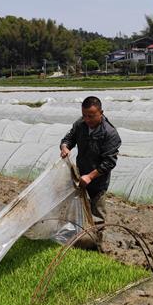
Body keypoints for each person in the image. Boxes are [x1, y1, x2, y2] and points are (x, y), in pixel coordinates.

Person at [60, 96, 122, 224]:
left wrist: (90, 176)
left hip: (98, 181)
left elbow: (109, 162)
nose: (87, 119)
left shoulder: (110, 134)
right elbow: (69, 138)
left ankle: (95, 242)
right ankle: (78, 239)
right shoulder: (80, 124)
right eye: (84, 115)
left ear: (101, 113)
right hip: (80, 175)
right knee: (78, 209)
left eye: (91, 116)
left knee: (97, 215)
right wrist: (65, 147)